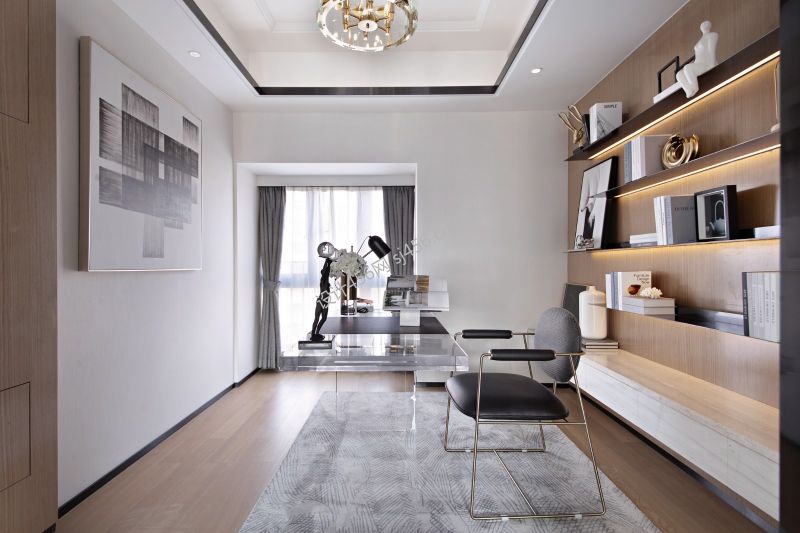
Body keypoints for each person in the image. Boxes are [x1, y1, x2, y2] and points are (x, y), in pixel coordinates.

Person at [677, 21, 718, 98]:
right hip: (698, 63)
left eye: (706, 23)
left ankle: (694, 87)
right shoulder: (701, 39)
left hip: (705, 64)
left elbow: (711, 51)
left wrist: (712, 65)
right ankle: (688, 90)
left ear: (709, 25)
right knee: (679, 74)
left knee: (687, 68)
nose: (703, 24)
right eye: (703, 24)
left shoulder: (712, 35)